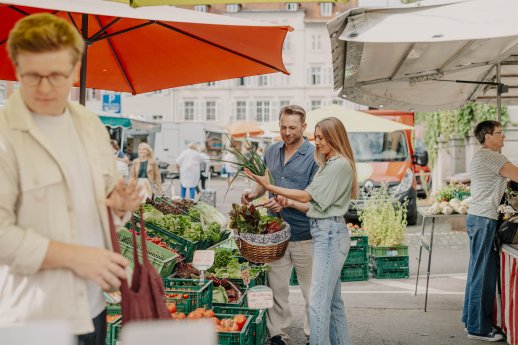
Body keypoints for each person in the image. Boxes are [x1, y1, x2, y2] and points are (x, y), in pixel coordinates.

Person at [0, 13, 143, 345]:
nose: (46, 88)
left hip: (92, 307)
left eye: (57, 75)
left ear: (75, 70)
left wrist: (118, 205)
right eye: (33, 76)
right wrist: (76, 257)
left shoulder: (89, 124)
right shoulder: (5, 135)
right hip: (33, 317)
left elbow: (101, 197)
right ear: (17, 70)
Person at [245, 116, 358, 345]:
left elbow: (307, 195)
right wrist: (286, 201)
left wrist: (269, 186)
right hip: (324, 230)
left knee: (316, 302)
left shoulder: (336, 165)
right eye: (316, 137)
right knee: (332, 302)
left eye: (321, 138)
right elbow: (313, 204)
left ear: (334, 137)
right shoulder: (331, 162)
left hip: (325, 233)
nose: (317, 142)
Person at [241, 105, 319, 345]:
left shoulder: (315, 155)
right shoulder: (272, 151)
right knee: (277, 288)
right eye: (283, 127)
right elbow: (265, 183)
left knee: (311, 291)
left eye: (292, 128)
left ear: (304, 127)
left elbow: (312, 194)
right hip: (274, 235)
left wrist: (286, 202)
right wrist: (253, 194)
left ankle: (312, 334)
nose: (287, 132)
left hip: (305, 233)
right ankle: (278, 335)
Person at [463, 120, 518, 342]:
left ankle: (472, 320)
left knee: (477, 271)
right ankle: (478, 328)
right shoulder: (493, 157)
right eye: (499, 133)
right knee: (483, 274)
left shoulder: (480, 155)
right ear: (487, 137)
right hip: (484, 218)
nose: (503, 136)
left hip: (478, 217)